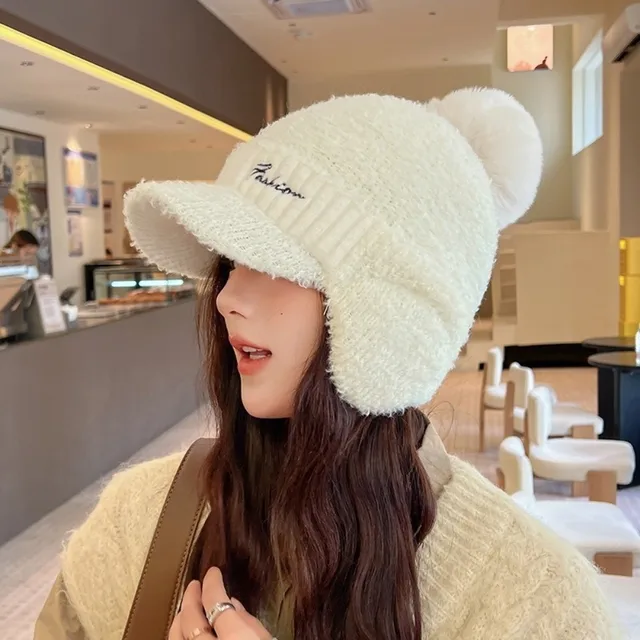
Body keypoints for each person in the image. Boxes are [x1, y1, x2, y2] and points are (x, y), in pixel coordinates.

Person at [35, 89, 621, 639]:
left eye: (272, 263)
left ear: (390, 314)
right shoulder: (135, 523)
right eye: (230, 261)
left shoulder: (530, 599)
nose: (226, 298)